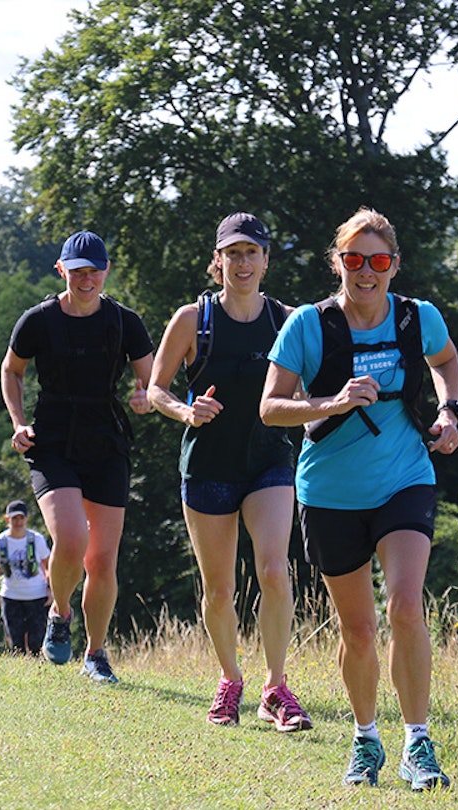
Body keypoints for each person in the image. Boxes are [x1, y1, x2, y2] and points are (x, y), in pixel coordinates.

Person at [260, 208, 458, 790]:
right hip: (328, 493)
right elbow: (270, 407)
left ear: (394, 266)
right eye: (354, 260)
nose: (366, 272)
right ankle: (366, 738)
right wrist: (331, 402)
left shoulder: (416, 318)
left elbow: (446, 359)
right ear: (338, 264)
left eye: (378, 261)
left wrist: (450, 410)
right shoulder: (308, 325)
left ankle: (418, 744)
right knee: (359, 630)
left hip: (404, 478)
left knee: (404, 606)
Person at [147, 212, 311, 731]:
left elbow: (304, 391)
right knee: (218, 589)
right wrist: (184, 411)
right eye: (232, 253)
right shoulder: (192, 320)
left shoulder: (286, 320)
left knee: (273, 570)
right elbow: (155, 389)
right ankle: (228, 679)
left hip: (268, 459)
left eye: (251, 253)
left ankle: (276, 688)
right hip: (208, 467)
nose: (242, 263)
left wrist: (313, 409)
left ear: (266, 261)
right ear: (217, 262)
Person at [0, 230, 155, 684]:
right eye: (78, 270)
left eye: (95, 270)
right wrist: (18, 421)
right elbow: (12, 370)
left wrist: (144, 395)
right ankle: (60, 612)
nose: (86, 279)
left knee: (102, 561)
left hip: (106, 441)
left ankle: (96, 654)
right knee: (71, 539)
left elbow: (151, 378)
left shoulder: (126, 322)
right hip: (52, 441)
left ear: (105, 271)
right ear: (61, 269)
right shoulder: (39, 320)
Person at [0, 499, 53, 655]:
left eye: (21, 518)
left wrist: (51, 590)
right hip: (11, 596)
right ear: (7, 519)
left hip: (37, 595)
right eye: (14, 518)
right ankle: (21, 669)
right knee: (15, 642)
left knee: (36, 641)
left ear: (26, 519)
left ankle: (36, 668)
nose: (18, 522)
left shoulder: (37, 540)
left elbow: (48, 566)